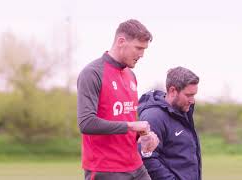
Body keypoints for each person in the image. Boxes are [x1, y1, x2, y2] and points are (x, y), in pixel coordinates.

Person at [77, 19, 159, 180]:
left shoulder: (131, 75)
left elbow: (124, 120)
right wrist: (131, 126)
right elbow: (86, 123)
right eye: (138, 48)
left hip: (136, 166)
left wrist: (143, 137)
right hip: (106, 169)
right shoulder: (92, 73)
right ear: (121, 41)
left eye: (144, 49)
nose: (142, 54)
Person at [138, 66, 202, 180]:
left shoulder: (183, 112)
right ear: (173, 91)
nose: (192, 100)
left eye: (194, 95)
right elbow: (147, 158)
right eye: (188, 95)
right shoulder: (153, 117)